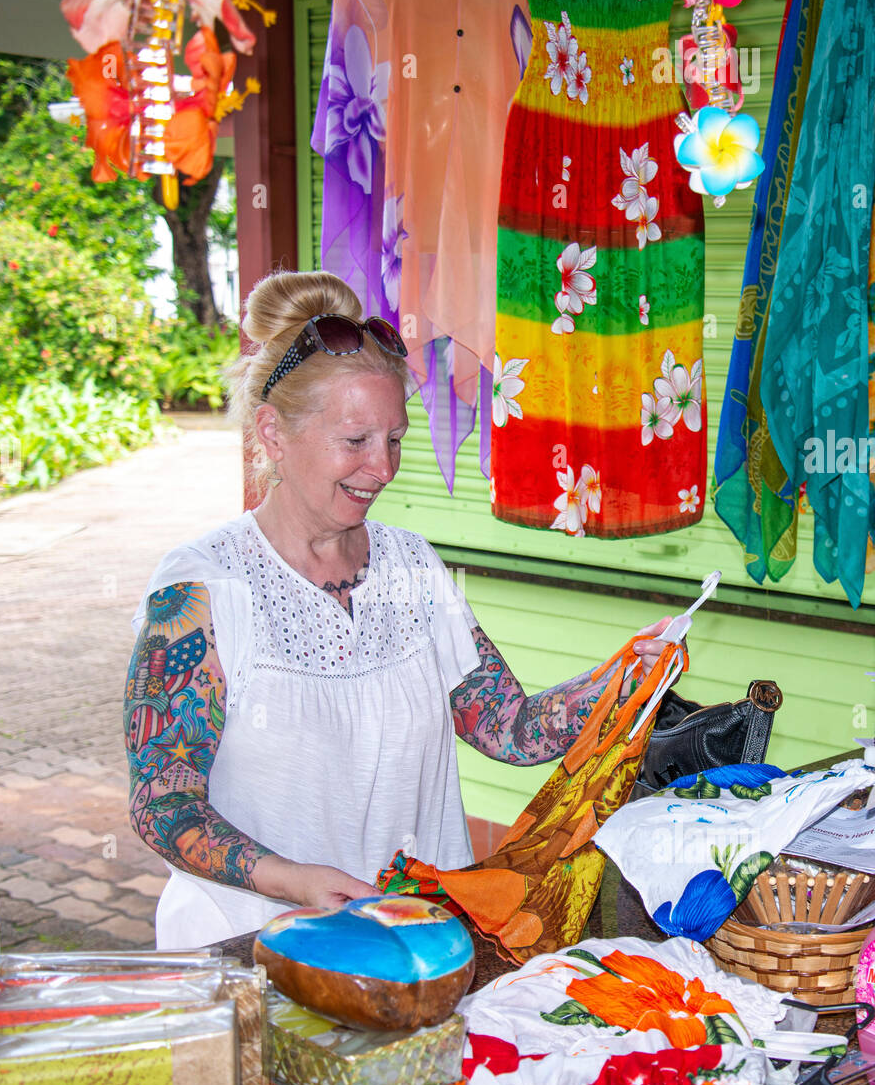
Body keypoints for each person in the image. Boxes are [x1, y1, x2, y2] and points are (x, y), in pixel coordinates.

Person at [124, 270, 674, 949]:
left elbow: (508, 727)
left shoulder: (412, 567)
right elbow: (164, 804)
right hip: (256, 946)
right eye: (354, 442)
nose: (381, 469)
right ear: (272, 432)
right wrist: (291, 879)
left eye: (394, 439)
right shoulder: (201, 591)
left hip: (411, 944)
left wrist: (619, 679)